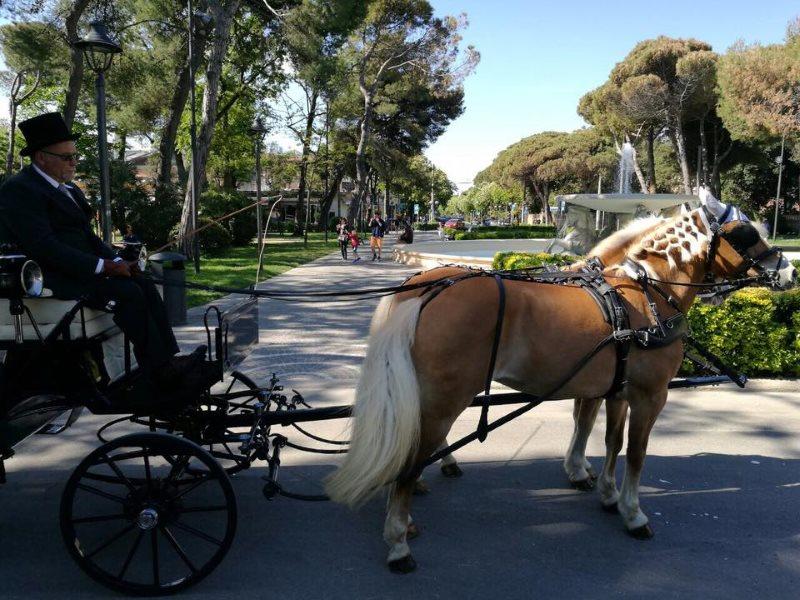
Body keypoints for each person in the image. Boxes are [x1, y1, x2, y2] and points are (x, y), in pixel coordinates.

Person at [0, 112, 203, 391]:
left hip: (82, 270)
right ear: (40, 157)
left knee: (142, 283)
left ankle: (167, 361)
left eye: (75, 156)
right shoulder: (19, 190)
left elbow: (87, 236)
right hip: (50, 275)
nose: (73, 162)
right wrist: (103, 267)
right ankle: (158, 370)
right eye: (66, 157)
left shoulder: (69, 189)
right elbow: (44, 247)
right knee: (128, 294)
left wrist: (117, 260)